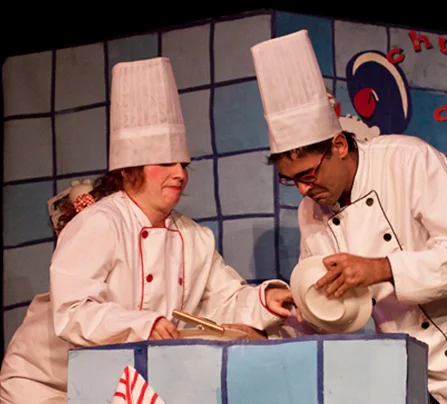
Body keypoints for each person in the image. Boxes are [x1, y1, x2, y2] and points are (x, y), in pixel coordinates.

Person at [250, 30, 447, 404]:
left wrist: (380, 269)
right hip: (418, 366)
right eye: (291, 180)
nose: (303, 190)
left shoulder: (408, 161)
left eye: (308, 175)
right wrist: (289, 314)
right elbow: (336, 310)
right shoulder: (312, 212)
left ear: (339, 145)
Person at [0, 57, 293, 404]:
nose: (179, 174)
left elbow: (222, 302)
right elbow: (74, 312)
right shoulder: (98, 223)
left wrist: (265, 300)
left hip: (118, 382)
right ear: (127, 170)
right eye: (165, 163)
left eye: (183, 164)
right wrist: (144, 325)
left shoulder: (194, 237)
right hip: (48, 384)